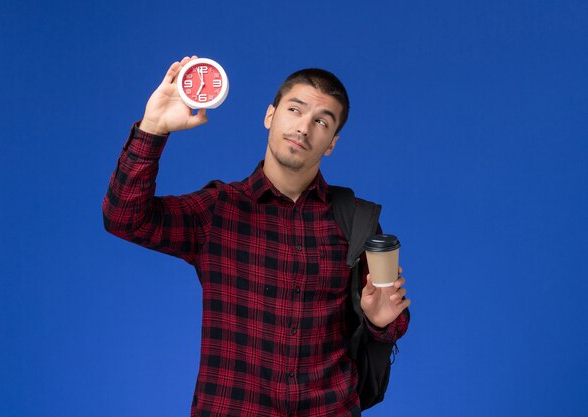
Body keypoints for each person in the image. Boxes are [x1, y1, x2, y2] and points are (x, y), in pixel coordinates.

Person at [103, 56, 410, 417]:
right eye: (294, 110)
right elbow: (124, 218)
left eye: (321, 121)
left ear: (331, 143)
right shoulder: (217, 210)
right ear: (270, 116)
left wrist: (381, 321)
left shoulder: (355, 219)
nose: (303, 128)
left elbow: (389, 318)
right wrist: (153, 127)